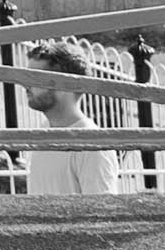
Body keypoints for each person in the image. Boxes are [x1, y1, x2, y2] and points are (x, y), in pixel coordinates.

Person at [18, 42, 119, 195]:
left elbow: (101, 215)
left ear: (65, 85)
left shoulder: (93, 147)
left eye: (35, 78)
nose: (25, 85)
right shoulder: (44, 132)